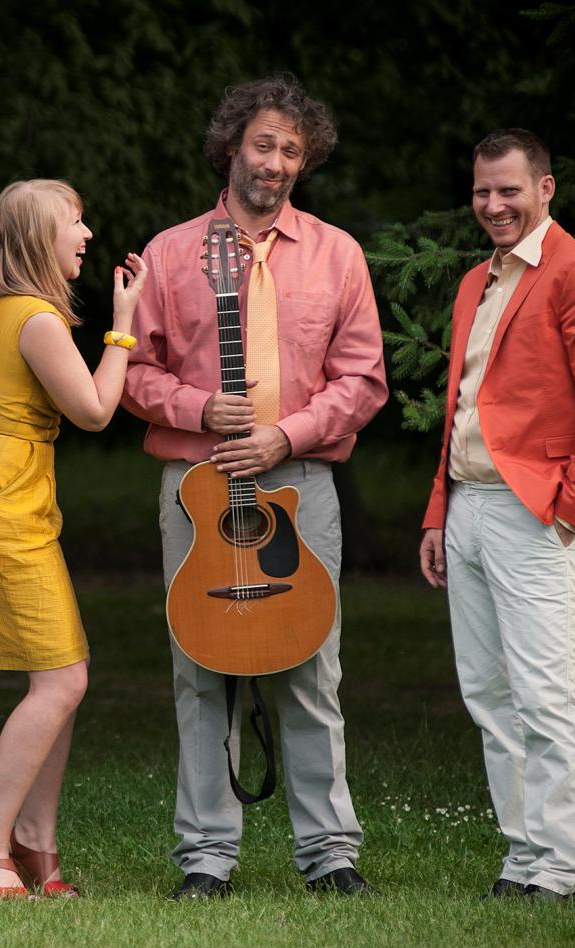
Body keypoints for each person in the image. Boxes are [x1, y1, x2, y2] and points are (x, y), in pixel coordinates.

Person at [122, 75, 387, 900]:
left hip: (300, 481)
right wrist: (199, 408)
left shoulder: (339, 255)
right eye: (263, 144)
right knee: (200, 669)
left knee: (312, 665)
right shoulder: (171, 253)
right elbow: (131, 371)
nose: (275, 162)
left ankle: (330, 854)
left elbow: (363, 379)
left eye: (291, 151)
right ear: (232, 145)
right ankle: (206, 857)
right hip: (198, 487)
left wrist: (287, 433)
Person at [418, 128, 575, 903]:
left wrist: (573, 509)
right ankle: (522, 861)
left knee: (545, 696)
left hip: (536, 514)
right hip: (468, 506)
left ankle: (560, 868)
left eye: (509, 190)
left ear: (545, 188)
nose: (493, 204)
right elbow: (461, 408)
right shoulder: (476, 282)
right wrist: (438, 512)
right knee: (489, 695)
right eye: (482, 191)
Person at [0, 179, 147, 898]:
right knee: (64, 679)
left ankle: (35, 841)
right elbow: (94, 410)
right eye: (74, 223)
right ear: (36, 238)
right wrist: (123, 326)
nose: (86, 235)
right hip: (1, 497)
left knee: (61, 669)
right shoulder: (37, 318)